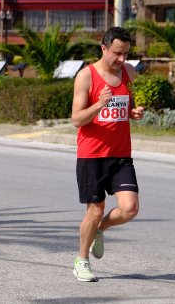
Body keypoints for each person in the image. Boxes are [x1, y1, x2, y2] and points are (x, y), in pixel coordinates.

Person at [70, 27, 145, 282]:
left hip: (121, 153)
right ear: (103, 48)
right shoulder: (86, 77)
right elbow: (77, 119)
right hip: (92, 154)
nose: (122, 59)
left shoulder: (129, 72)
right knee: (95, 209)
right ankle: (81, 260)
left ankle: (100, 230)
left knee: (130, 208)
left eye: (125, 53)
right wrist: (99, 104)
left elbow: (128, 105)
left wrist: (134, 112)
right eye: (117, 54)